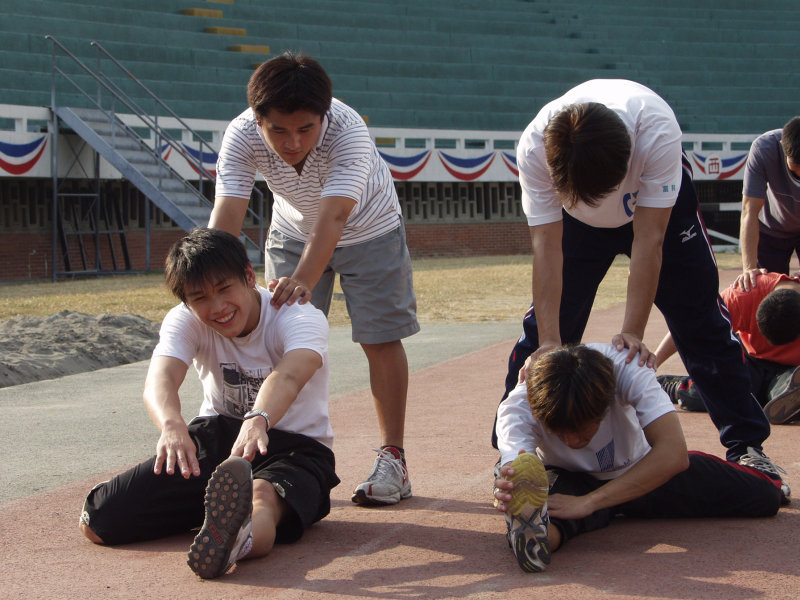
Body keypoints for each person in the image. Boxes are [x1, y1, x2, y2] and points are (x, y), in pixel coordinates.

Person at [495, 79, 784, 482]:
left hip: (656, 214)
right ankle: (511, 453)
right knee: (541, 339)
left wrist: (632, 330)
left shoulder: (656, 132)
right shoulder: (535, 147)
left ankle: (746, 445)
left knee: (701, 321)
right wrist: (548, 339)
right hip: (575, 228)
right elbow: (546, 246)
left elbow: (650, 240)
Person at [209, 51, 419, 506]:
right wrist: (208, 283)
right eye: (278, 131)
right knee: (276, 336)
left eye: (306, 129)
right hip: (292, 228)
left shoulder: (348, 130)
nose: (292, 143)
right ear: (257, 119)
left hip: (371, 228)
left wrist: (303, 279)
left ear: (324, 115)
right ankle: (268, 449)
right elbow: (227, 214)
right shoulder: (241, 135)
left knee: (380, 338)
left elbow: (336, 216)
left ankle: (393, 458)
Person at [78, 228, 340, 579]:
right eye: (199, 297)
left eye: (224, 289)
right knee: (99, 522)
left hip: (297, 449)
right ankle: (214, 514)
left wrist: (258, 418)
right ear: (185, 300)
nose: (217, 308)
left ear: (249, 275)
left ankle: (235, 539)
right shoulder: (184, 319)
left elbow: (290, 374)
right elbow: (161, 378)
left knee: (259, 498)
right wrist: (171, 425)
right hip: (219, 439)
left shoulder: (298, 314)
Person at [493, 344, 784, 573]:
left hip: (641, 471)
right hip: (568, 477)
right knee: (543, 515)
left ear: (608, 402)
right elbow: (519, 467)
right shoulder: (517, 406)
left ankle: (758, 471)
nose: (571, 441)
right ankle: (532, 534)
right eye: (559, 432)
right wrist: (511, 488)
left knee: (766, 497)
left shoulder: (627, 367)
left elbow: (673, 455)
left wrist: (591, 502)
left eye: (581, 431)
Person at [656, 271, 800, 424]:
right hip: (751, 360)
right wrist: (654, 361)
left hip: (791, 369)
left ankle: (780, 393)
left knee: (763, 395)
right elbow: (692, 324)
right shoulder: (746, 293)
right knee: (715, 396)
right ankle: (680, 387)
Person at [739, 117, 800, 291]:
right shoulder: (764, 149)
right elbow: (749, 211)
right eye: (796, 169)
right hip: (771, 231)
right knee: (764, 290)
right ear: (783, 148)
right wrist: (749, 267)